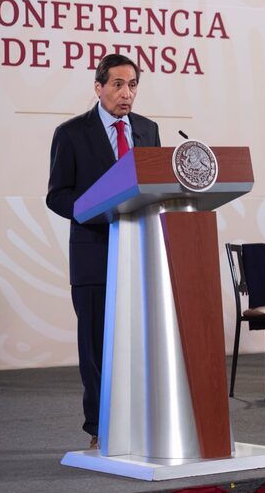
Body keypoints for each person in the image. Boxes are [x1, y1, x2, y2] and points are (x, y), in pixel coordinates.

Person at [46, 54, 161, 448]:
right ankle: (100, 427)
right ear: (98, 87)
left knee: (142, 342)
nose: (126, 93)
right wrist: (95, 209)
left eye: (132, 85)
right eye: (117, 85)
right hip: (95, 255)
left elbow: (156, 185)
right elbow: (57, 195)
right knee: (96, 346)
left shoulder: (148, 130)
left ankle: (143, 420)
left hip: (142, 253)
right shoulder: (72, 133)